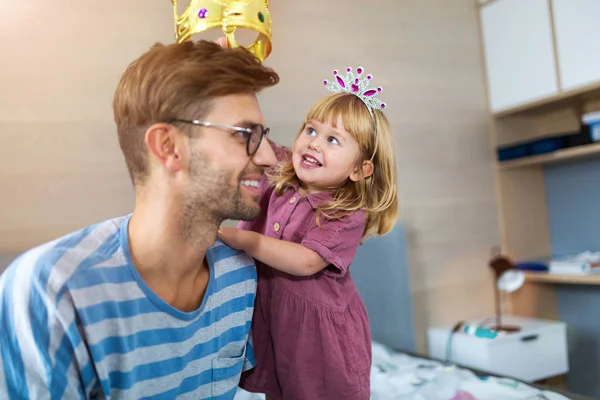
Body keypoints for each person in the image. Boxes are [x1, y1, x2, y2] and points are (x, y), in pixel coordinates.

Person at [0, 40, 279, 399]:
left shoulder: (238, 276)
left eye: (263, 136)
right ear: (169, 146)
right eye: (245, 135)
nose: (270, 157)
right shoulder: (49, 293)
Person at [218, 65, 399, 400]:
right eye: (311, 131)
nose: (314, 144)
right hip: (278, 324)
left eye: (333, 140)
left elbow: (306, 262)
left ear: (360, 169)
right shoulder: (282, 172)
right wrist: (235, 82)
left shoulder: (345, 212)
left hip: (321, 338)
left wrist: (244, 238)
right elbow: (254, 138)